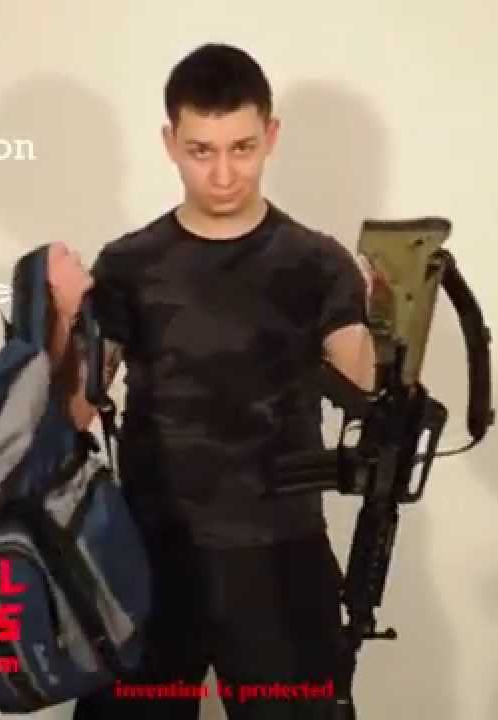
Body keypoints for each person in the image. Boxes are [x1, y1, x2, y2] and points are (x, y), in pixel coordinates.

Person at [71, 43, 377, 720]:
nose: (222, 174)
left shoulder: (317, 261)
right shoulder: (128, 264)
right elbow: (76, 414)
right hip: (150, 553)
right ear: (170, 144)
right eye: (200, 151)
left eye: (242, 148)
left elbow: (361, 394)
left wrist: (375, 315)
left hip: (280, 558)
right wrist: (62, 314)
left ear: (271, 135)